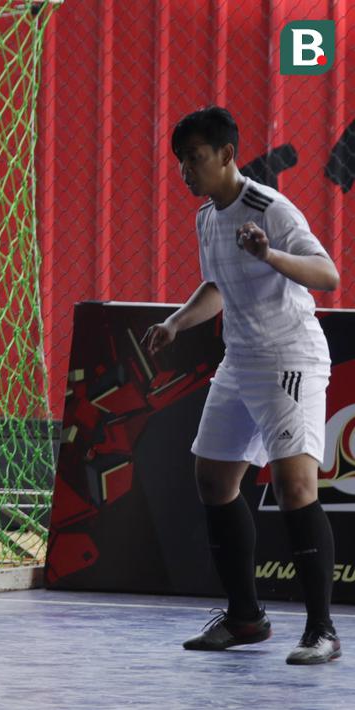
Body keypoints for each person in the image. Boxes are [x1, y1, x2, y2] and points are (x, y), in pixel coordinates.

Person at [145, 106, 342, 665]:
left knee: (295, 488)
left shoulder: (270, 208)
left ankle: (322, 631)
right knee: (213, 477)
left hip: (290, 356)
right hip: (240, 359)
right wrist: (175, 322)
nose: (186, 171)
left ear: (227, 156)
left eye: (196, 159)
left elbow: (327, 274)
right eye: (181, 162)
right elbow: (217, 286)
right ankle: (246, 617)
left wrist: (268, 253)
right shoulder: (208, 216)